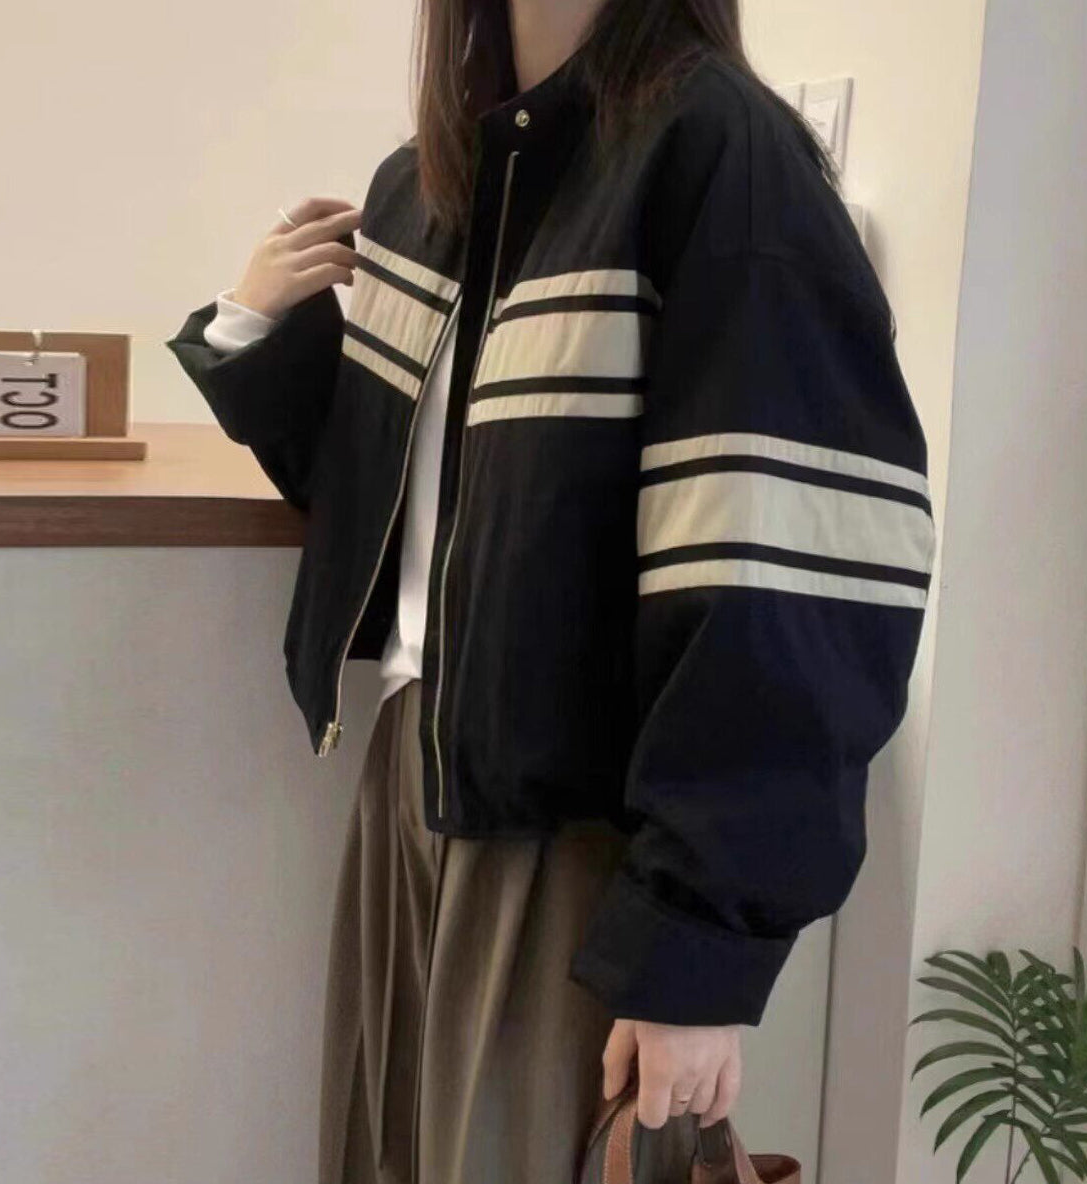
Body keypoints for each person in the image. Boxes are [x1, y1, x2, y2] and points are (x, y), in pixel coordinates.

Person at [165, 0, 936, 1180]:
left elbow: (785, 571)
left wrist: (697, 948)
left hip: (577, 836)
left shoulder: (719, 153)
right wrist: (252, 328)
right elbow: (400, 509)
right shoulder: (426, 185)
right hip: (412, 776)